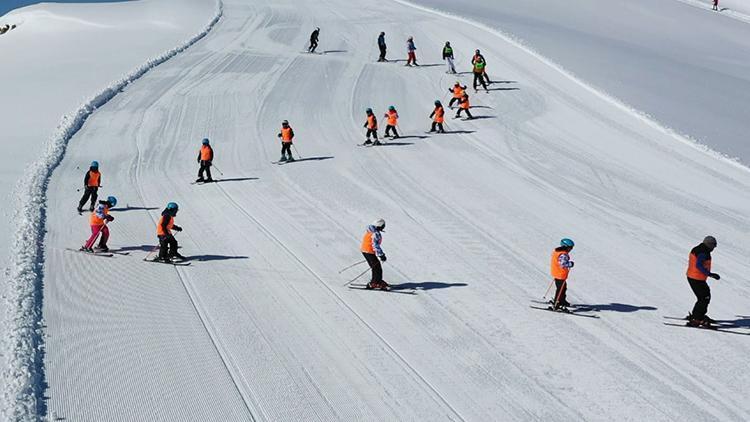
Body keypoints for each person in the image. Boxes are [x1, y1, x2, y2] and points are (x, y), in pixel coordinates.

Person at [685, 236, 720, 327]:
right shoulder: (703, 252)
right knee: (704, 298)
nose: (714, 248)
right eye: (714, 245)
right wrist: (710, 274)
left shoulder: (698, 248)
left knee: (703, 297)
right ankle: (697, 319)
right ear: (709, 244)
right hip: (697, 278)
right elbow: (699, 265)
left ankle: (697, 315)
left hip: (693, 276)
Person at [361, 219, 388, 290]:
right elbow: (375, 245)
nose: (383, 227)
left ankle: (377, 280)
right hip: (369, 251)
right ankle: (374, 282)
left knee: (376, 266)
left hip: (366, 250)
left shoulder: (370, 230)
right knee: (376, 267)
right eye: (383, 226)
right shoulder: (375, 234)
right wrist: (381, 255)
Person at [550, 238, 575, 310]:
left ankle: (562, 300)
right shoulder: (563, 254)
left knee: (563, 288)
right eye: (570, 248)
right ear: (565, 246)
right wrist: (570, 264)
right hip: (560, 274)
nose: (571, 249)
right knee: (560, 289)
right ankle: (557, 303)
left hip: (557, 273)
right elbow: (563, 264)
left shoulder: (557, 251)